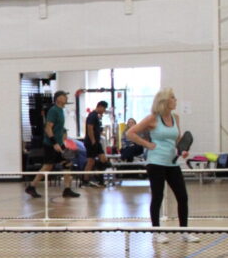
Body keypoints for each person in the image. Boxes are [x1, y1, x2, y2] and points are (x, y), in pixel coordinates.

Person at [125, 88, 198, 244]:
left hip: (172, 162)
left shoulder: (175, 117)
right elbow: (130, 133)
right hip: (156, 163)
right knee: (157, 196)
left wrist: (183, 150)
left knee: (182, 197)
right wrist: (147, 144)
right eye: (173, 97)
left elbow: (177, 139)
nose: (176, 100)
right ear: (165, 101)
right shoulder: (152, 118)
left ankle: (184, 232)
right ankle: (156, 231)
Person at [25, 90, 80, 200]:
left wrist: (64, 131)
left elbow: (58, 126)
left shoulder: (61, 110)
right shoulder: (53, 110)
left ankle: (67, 189)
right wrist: (54, 143)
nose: (66, 98)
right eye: (64, 96)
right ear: (58, 99)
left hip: (59, 143)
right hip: (51, 144)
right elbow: (48, 127)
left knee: (67, 163)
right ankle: (31, 186)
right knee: (48, 166)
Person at [82, 100, 111, 187]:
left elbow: (95, 129)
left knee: (103, 160)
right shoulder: (92, 115)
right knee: (91, 161)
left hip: (96, 142)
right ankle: (85, 181)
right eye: (104, 108)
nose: (104, 110)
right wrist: (93, 141)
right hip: (92, 142)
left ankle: (98, 178)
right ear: (99, 106)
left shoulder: (97, 116)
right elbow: (90, 128)